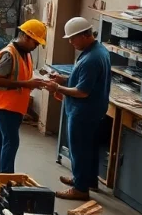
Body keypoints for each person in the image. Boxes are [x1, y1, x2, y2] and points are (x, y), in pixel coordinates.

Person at [44, 17, 112, 201]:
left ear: (84, 35)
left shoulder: (91, 59)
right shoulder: (96, 51)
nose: (70, 42)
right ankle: (86, 180)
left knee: (79, 149)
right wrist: (63, 79)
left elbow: (82, 92)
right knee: (88, 148)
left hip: (83, 111)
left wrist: (57, 88)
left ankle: (81, 189)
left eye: (73, 38)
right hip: (91, 110)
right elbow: (81, 80)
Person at [0, 19, 49, 173]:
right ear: (26, 37)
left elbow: (21, 75)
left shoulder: (25, 54)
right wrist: (26, 84)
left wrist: (35, 80)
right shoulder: (9, 54)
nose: (35, 47)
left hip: (14, 105)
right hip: (5, 105)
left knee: (0, 138)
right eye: (35, 43)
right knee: (11, 141)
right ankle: (7, 178)